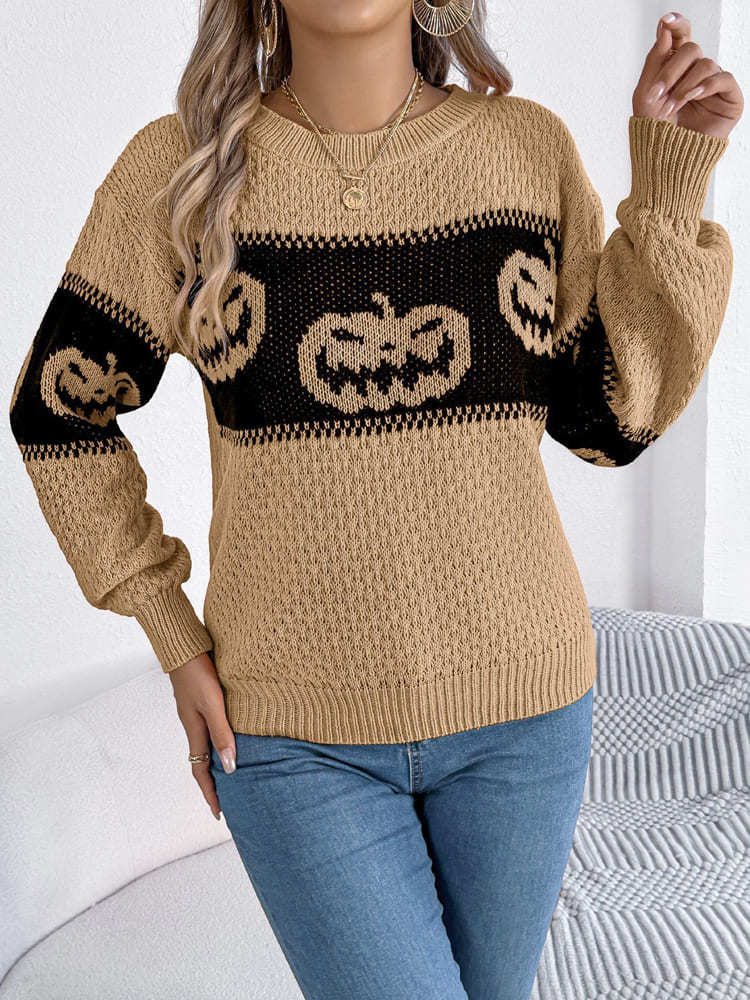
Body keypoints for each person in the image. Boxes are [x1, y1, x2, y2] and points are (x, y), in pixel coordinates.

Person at [8, 2, 742, 998]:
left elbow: (608, 422)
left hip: (527, 717)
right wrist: (172, 634)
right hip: (291, 740)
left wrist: (667, 187)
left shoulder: (523, 150)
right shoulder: (179, 173)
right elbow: (58, 412)